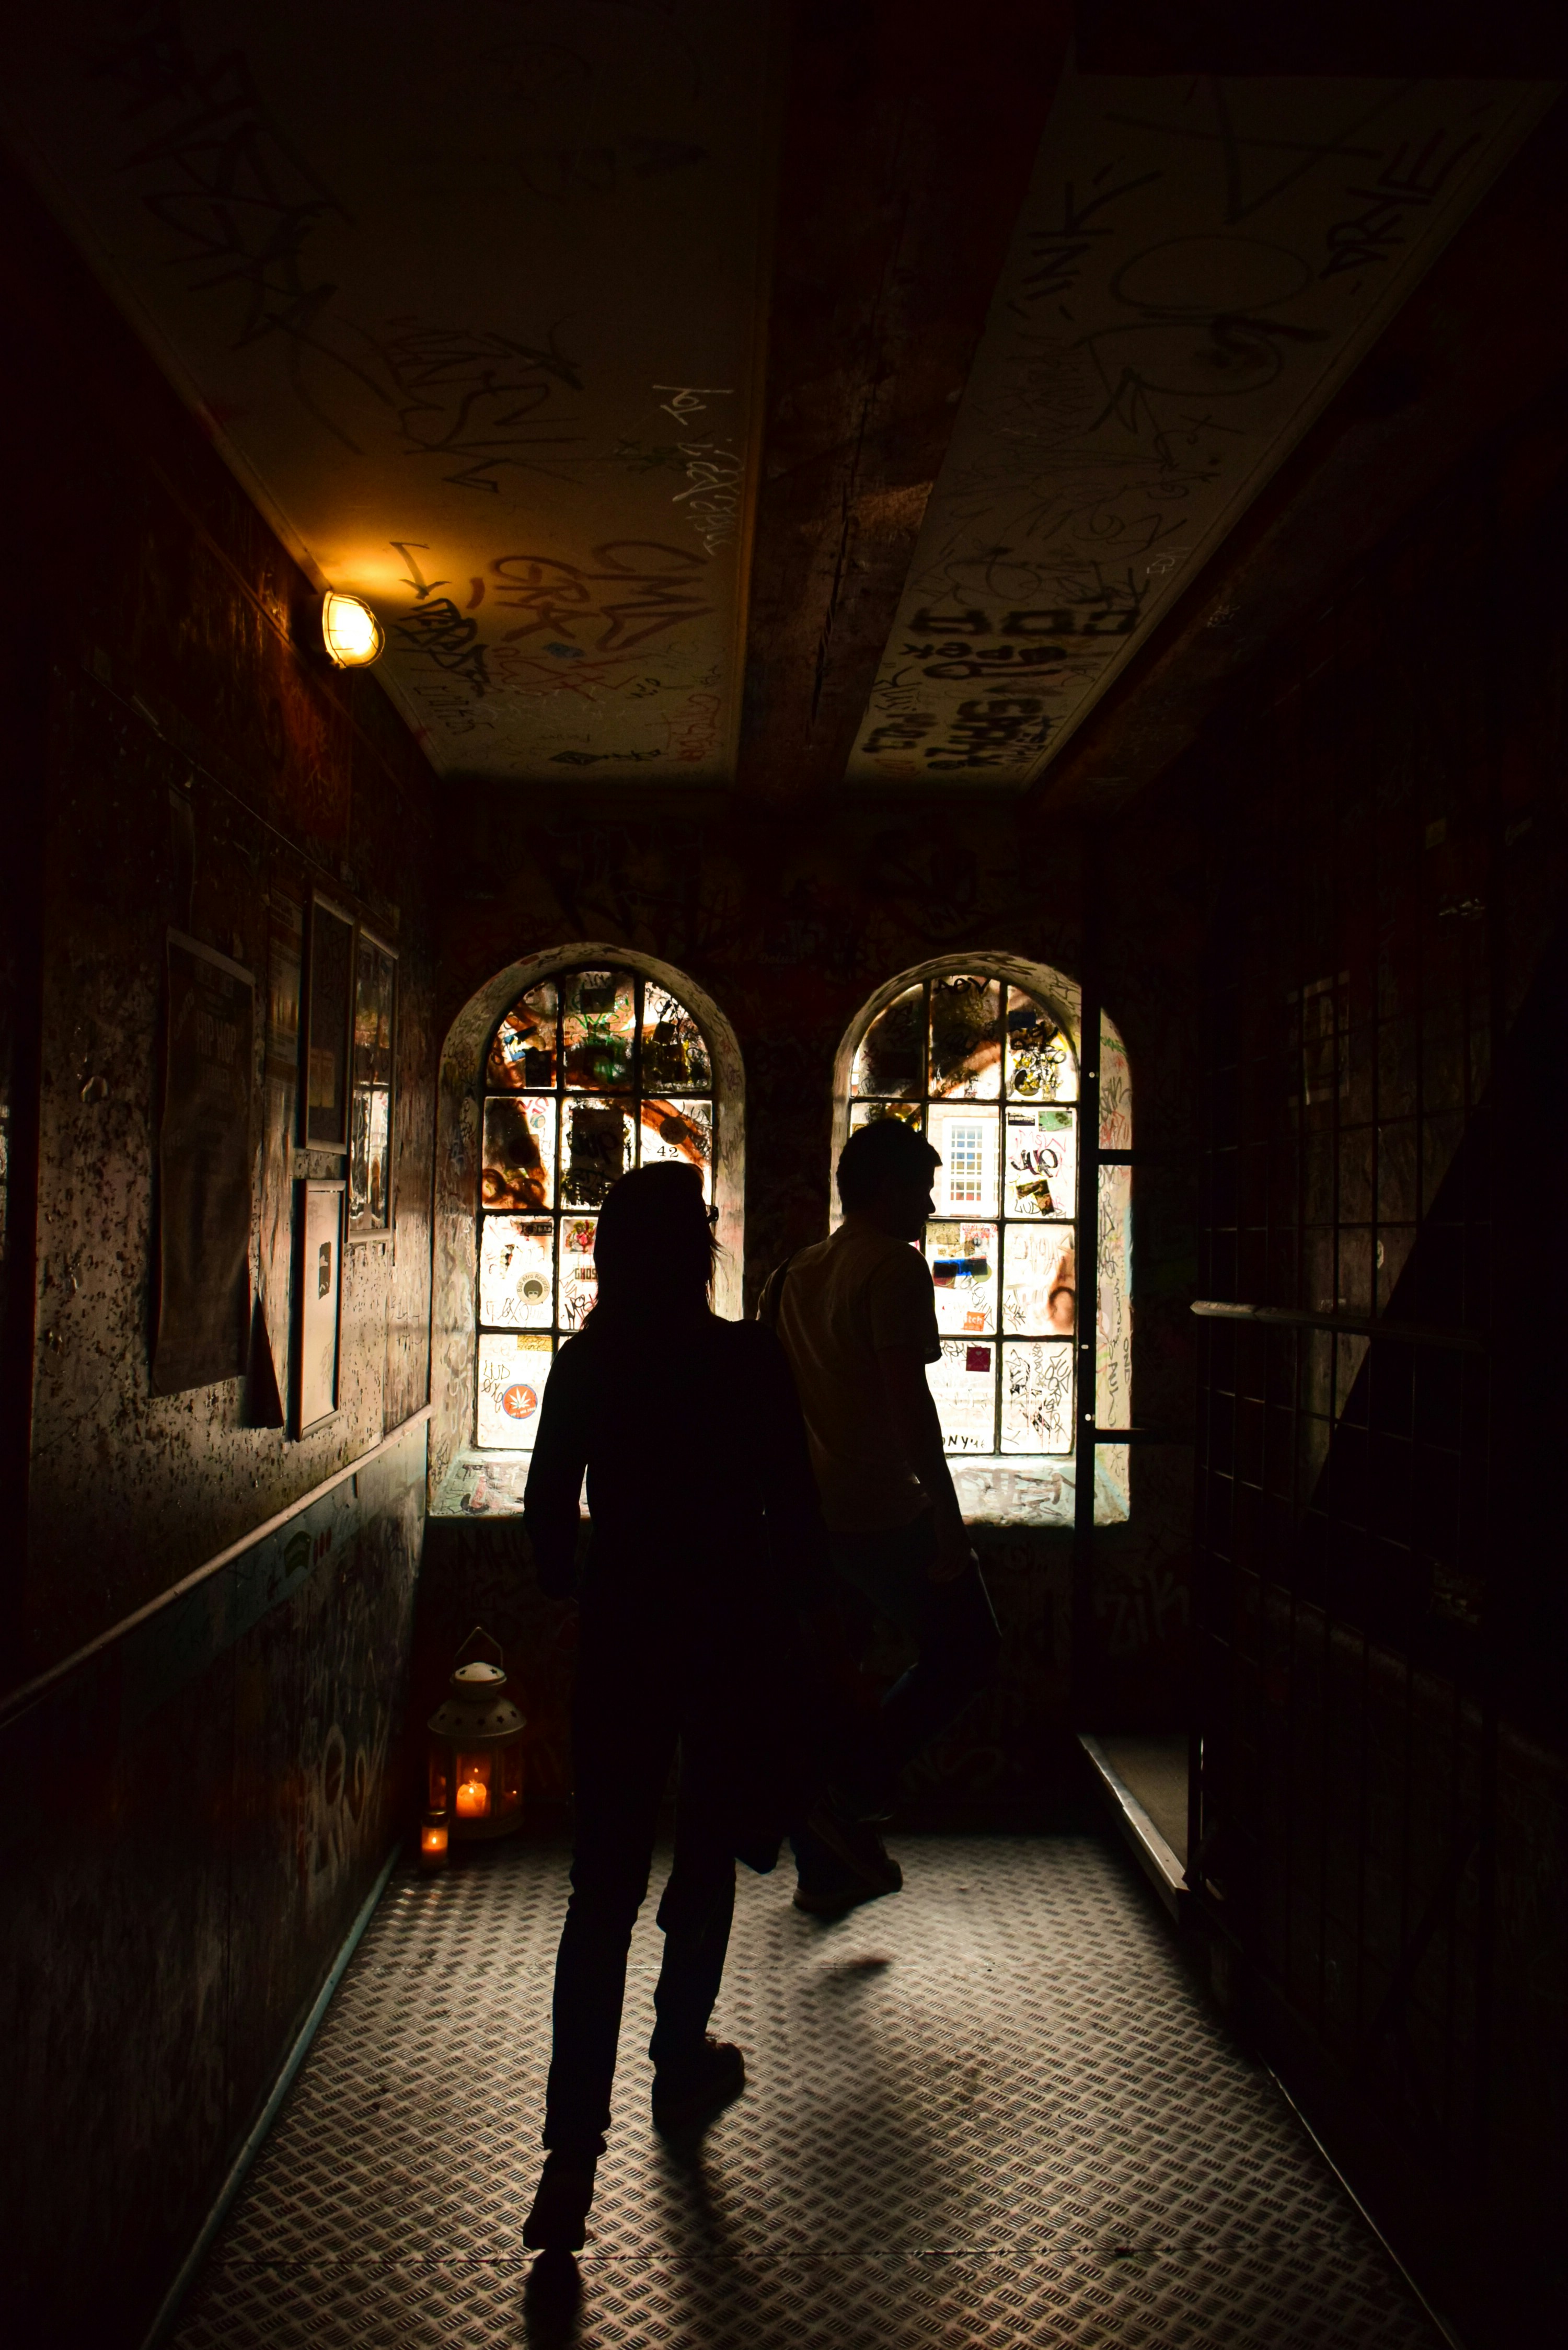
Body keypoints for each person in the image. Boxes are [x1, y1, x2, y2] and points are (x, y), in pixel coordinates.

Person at [520, 1161, 826, 2255]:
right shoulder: (747, 1359)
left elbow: (547, 1517)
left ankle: (571, 2154)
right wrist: (803, 1634)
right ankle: (678, 2053)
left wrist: (581, 1584)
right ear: (700, 1250)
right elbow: (797, 1516)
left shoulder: (589, 1363)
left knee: (600, 1889)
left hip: (624, 1640)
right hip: (731, 1639)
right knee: (705, 1856)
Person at [760, 1115, 1002, 1910]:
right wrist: (946, 1515)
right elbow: (910, 1406)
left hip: (813, 1520)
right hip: (883, 1512)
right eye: (922, 1190)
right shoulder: (895, 1267)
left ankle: (826, 1872)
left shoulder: (795, 1272)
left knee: (831, 1687)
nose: (930, 1206)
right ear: (887, 1189)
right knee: (970, 1650)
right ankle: (851, 1793)